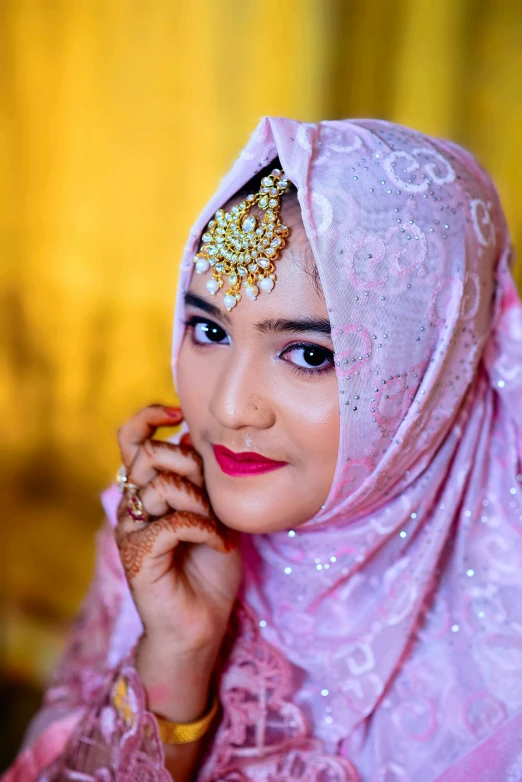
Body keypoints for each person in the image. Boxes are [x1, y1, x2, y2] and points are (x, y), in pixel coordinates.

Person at [4, 117, 522, 782]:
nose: (227, 408)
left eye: (308, 354)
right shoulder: (161, 532)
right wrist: (178, 653)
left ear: (432, 372)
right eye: (208, 330)